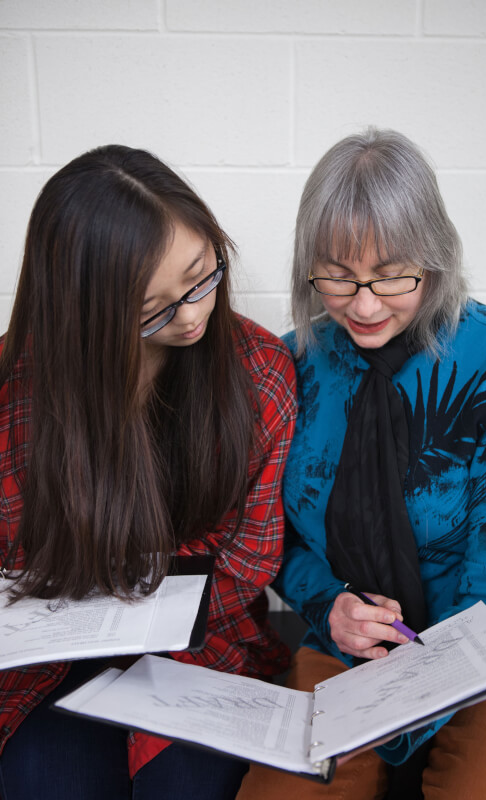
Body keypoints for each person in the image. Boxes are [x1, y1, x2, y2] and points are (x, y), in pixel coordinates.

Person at [237, 128, 486, 800]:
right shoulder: (294, 366)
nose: (363, 305)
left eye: (391, 275)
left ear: (433, 260)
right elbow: (271, 539)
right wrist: (330, 607)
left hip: (485, 646)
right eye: (337, 276)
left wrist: (419, 682)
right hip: (345, 644)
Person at [0, 144, 297, 800]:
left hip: (201, 644)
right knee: (43, 778)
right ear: (86, 310)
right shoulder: (17, 384)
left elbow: (250, 558)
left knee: (184, 784)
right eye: (151, 310)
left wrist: (154, 615)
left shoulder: (259, 371)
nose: (192, 316)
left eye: (201, 275)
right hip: (48, 655)